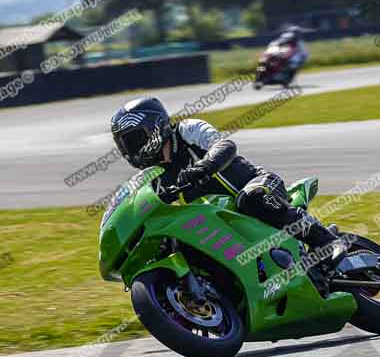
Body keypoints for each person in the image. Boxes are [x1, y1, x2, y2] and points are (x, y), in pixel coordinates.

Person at [110, 96, 346, 266]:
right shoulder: (155, 175)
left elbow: (224, 145)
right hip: (222, 217)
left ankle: (328, 241)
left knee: (252, 199)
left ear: (153, 128)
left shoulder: (187, 130)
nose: (130, 151)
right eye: (124, 145)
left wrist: (203, 167)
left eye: (133, 140)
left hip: (258, 184)